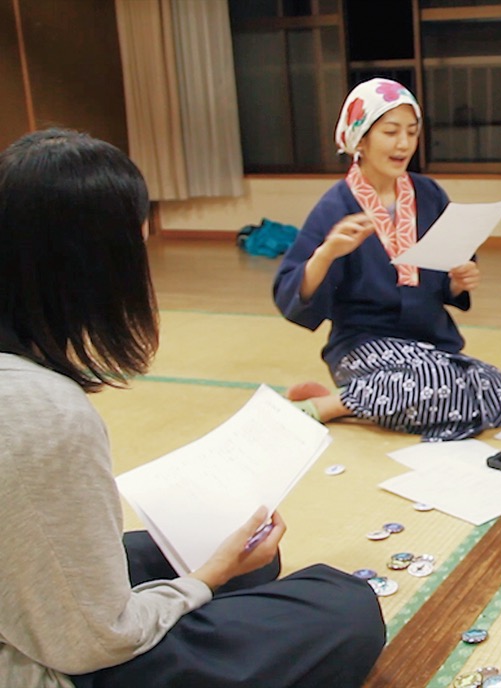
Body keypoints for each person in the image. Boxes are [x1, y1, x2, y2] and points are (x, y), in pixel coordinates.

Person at [0, 129, 384, 687]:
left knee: (238, 548)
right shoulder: (42, 413)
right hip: (49, 666)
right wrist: (207, 578)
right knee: (344, 605)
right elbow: (94, 640)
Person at [274, 78, 501, 441]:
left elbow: (445, 271)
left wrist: (457, 282)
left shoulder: (428, 193)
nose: (403, 143)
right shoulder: (335, 205)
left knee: (498, 390)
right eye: (391, 132)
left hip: (428, 345)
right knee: (435, 383)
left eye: (412, 132)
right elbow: (291, 292)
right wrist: (326, 253)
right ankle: (329, 406)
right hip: (364, 347)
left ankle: (352, 401)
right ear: (360, 139)